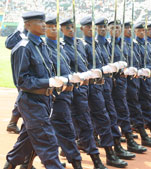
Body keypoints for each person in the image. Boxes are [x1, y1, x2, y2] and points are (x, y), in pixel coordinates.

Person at [3, 11, 65, 169]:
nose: (44, 25)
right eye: (39, 22)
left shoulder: (41, 44)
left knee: (25, 143)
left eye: (44, 22)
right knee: (49, 144)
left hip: (44, 101)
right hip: (31, 102)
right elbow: (22, 81)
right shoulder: (23, 47)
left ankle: (9, 166)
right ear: (27, 25)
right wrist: (48, 82)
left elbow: (47, 71)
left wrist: (55, 84)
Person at [80, 16, 130, 168]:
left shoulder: (101, 45)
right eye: (97, 27)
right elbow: (83, 69)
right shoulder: (83, 45)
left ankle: (114, 148)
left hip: (105, 85)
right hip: (91, 87)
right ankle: (108, 153)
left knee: (109, 116)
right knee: (97, 119)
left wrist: (115, 69)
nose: (100, 29)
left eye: (102, 27)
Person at [60, 18, 107, 169]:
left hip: (81, 91)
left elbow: (86, 65)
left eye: (72, 27)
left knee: (85, 124)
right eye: (67, 27)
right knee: (59, 126)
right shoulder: (60, 46)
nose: (70, 30)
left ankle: (96, 160)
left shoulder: (80, 44)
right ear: (62, 30)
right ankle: (27, 159)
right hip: (66, 92)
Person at [96, 17, 146, 154]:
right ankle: (113, 145)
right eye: (112, 28)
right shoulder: (103, 44)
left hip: (121, 83)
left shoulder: (122, 44)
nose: (114, 30)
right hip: (106, 84)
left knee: (122, 111)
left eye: (117, 28)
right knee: (108, 115)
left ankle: (126, 140)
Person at [45, 15, 83, 169]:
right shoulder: (45, 48)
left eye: (55, 26)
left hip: (68, 94)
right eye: (50, 26)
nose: (53, 29)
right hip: (56, 96)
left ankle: (25, 162)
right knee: (65, 128)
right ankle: (76, 163)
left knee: (39, 133)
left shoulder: (59, 47)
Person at [5, 17, 29, 134]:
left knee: (23, 95)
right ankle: (15, 123)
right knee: (24, 95)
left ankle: (13, 123)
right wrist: (18, 30)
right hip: (21, 70)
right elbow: (8, 44)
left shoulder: (33, 35)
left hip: (28, 69)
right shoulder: (21, 35)